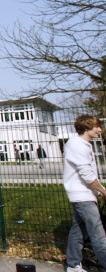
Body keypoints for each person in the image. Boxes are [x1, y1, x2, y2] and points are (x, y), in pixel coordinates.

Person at [63, 115, 106, 272]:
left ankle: (73, 265)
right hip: (82, 196)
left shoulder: (83, 145)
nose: (100, 129)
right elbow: (86, 175)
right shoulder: (78, 146)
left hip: (84, 195)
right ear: (87, 127)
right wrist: (102, 190)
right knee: (98, 234)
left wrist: (96, 192)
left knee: (79, 231)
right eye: (96, 127)